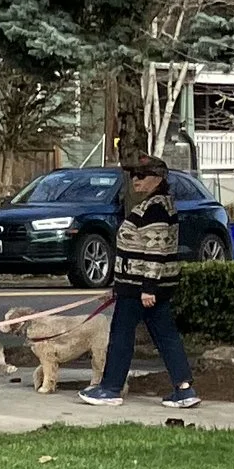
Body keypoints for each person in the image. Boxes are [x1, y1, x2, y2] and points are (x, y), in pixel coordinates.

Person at [81, 157, 199, 409]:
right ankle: (184, 389)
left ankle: (110, 388)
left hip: (141, 288)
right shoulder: (158, 205)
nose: (136, 180)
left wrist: (148, 288)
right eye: (133, 175)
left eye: (142, 175)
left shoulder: (155, 208)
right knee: (166, 337)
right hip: (141, 285)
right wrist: (119, 287)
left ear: (158, 179)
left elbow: (155, 251)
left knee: (121, 335)